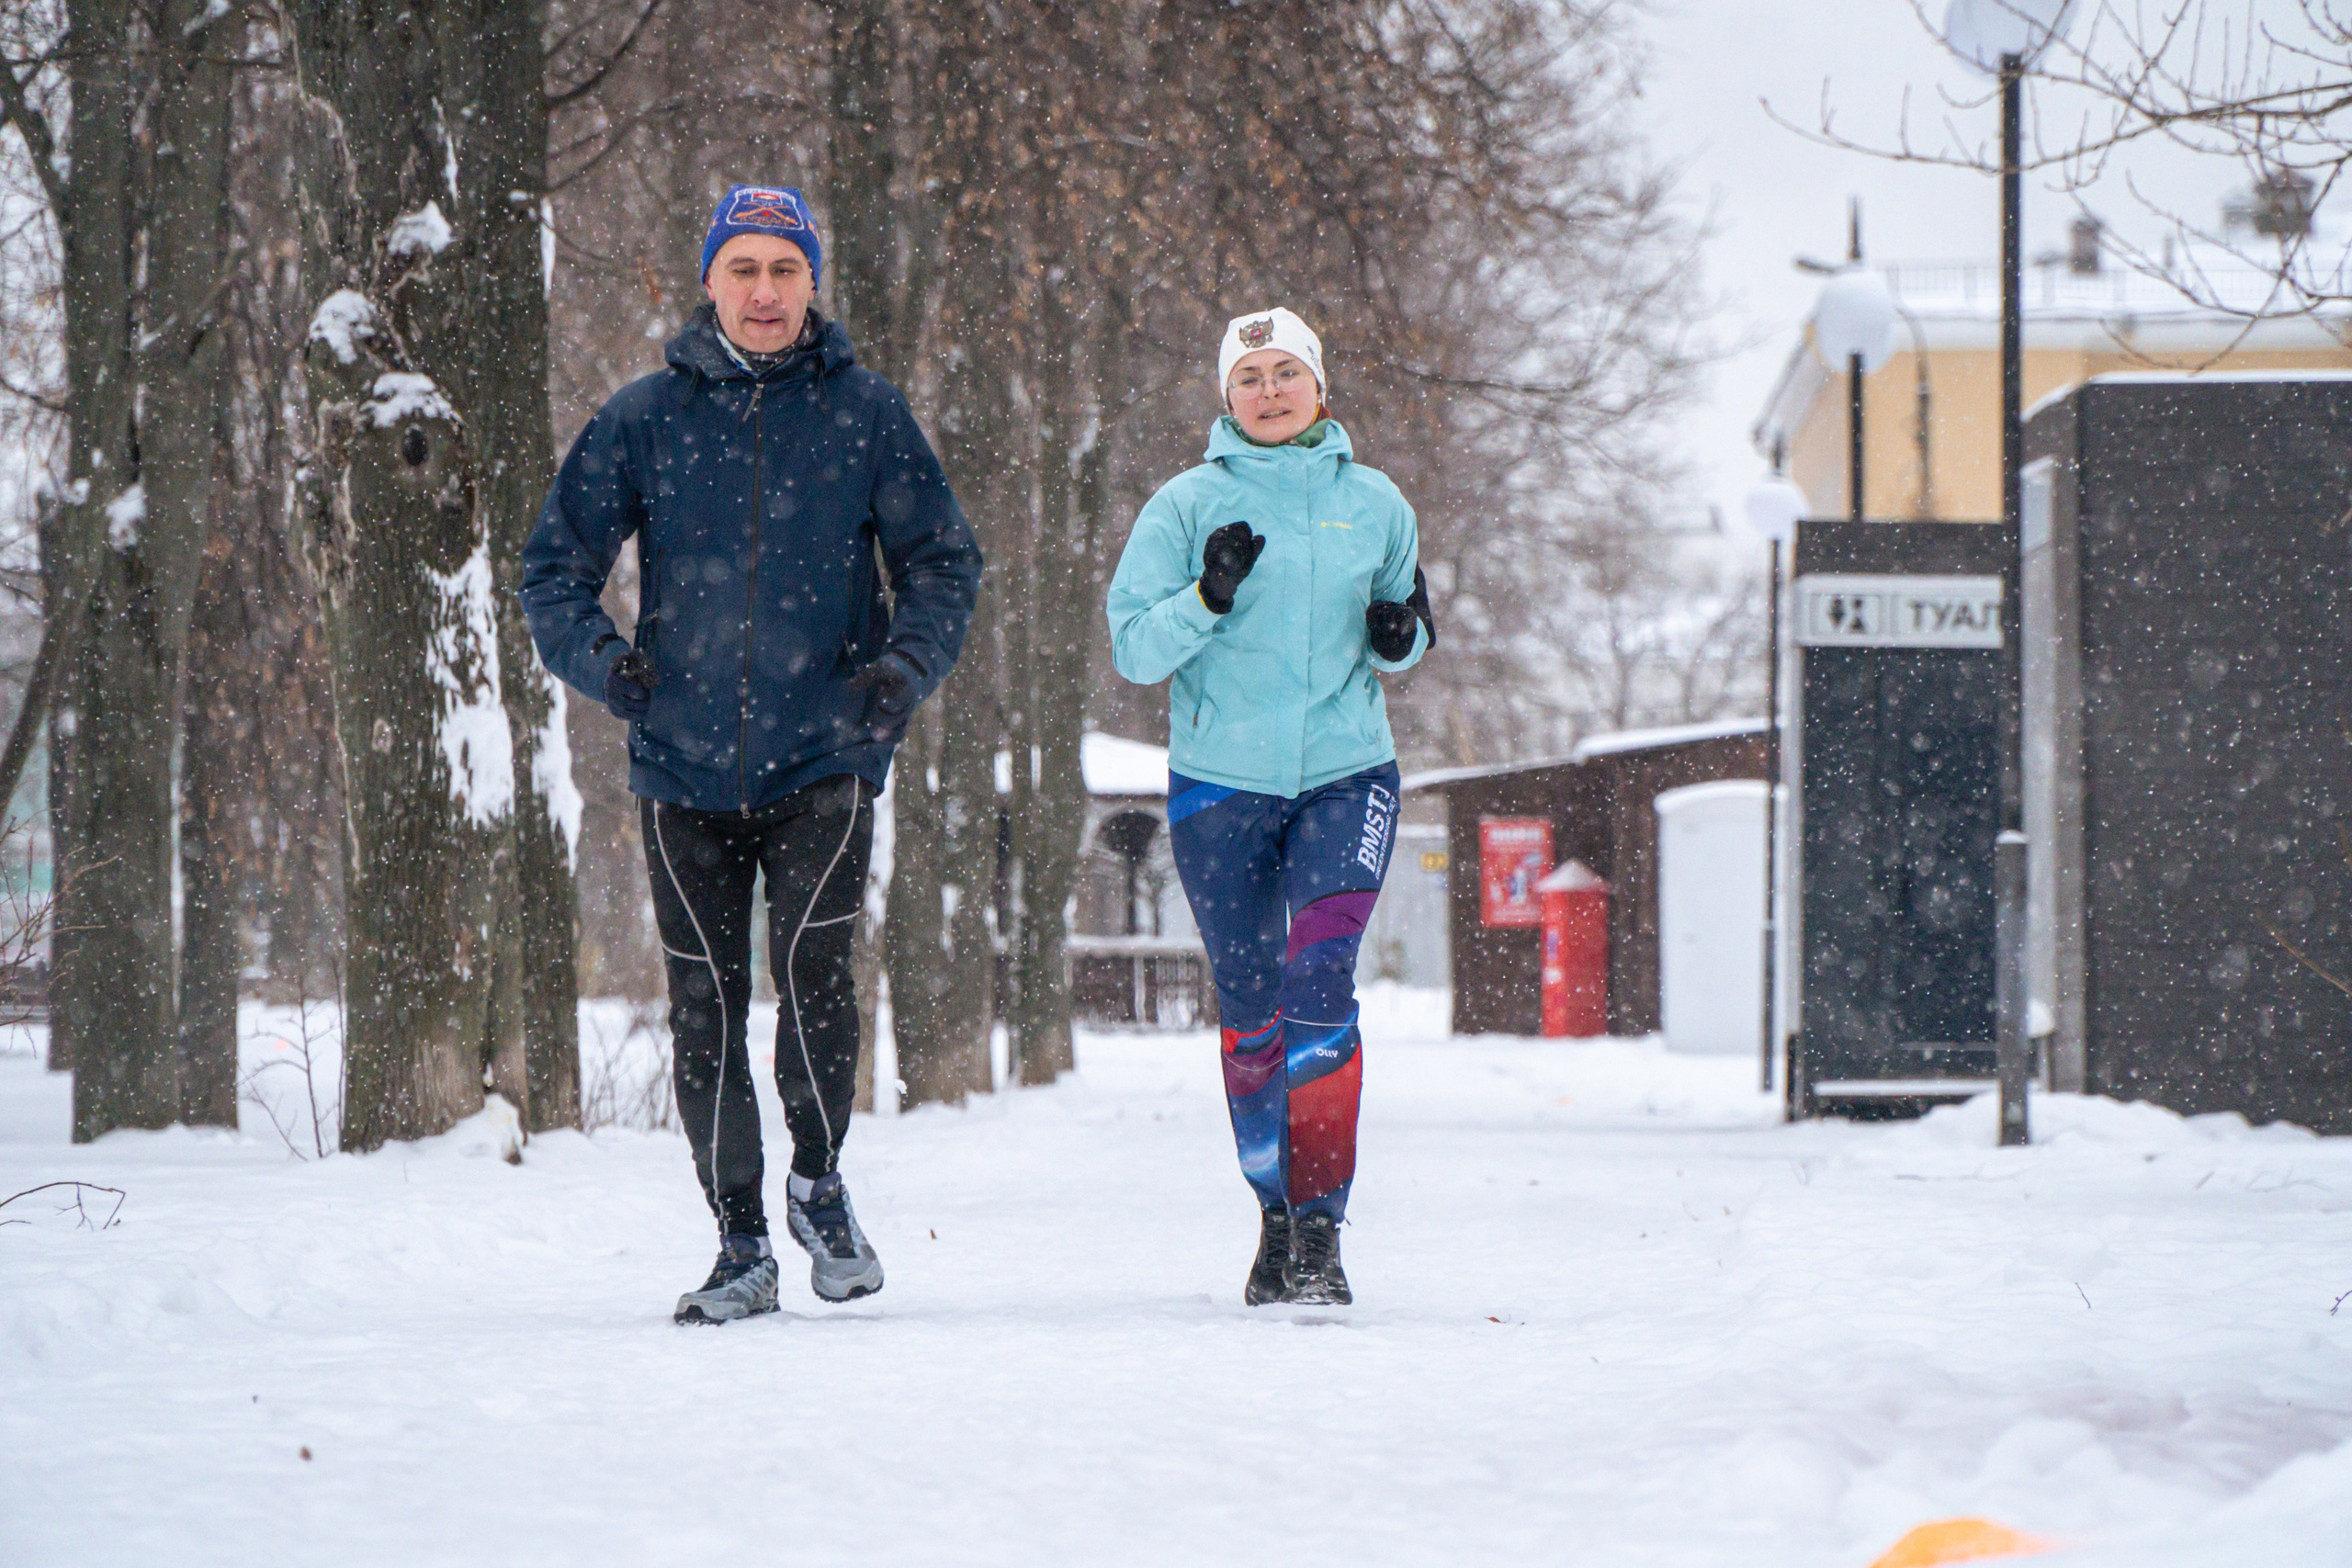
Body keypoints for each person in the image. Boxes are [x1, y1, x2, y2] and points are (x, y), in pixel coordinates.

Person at [522, 185, 982, 1325]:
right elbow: (551, 571)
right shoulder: (643, 419)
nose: (765, 291)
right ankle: (739, 1245)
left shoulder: (867, 414)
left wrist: (898, 675)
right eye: (745, 269)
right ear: (710, 283)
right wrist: (606, 666)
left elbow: (944, 563)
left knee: (818, 982)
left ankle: (818, 1181)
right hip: (679, 762)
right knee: (705, 1007)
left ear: (811, 282)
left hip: (826, 751)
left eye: (785, 268)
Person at [1104, 307, 1432, 1306]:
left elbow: (1406, 633)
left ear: (1319, 388)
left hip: (1346, 774)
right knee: (1252, 1009)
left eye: (1287, 371)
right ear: (1226, 396)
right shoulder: (1181, 507)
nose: (1270, 390)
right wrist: (1205, 596)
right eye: (1250, 377)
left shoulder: (1376, 503)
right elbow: (1132, 650)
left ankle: (1325, 1230)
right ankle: (1274, 1215)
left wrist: (1397, 634)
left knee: (1320, 980)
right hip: (1221, 786)